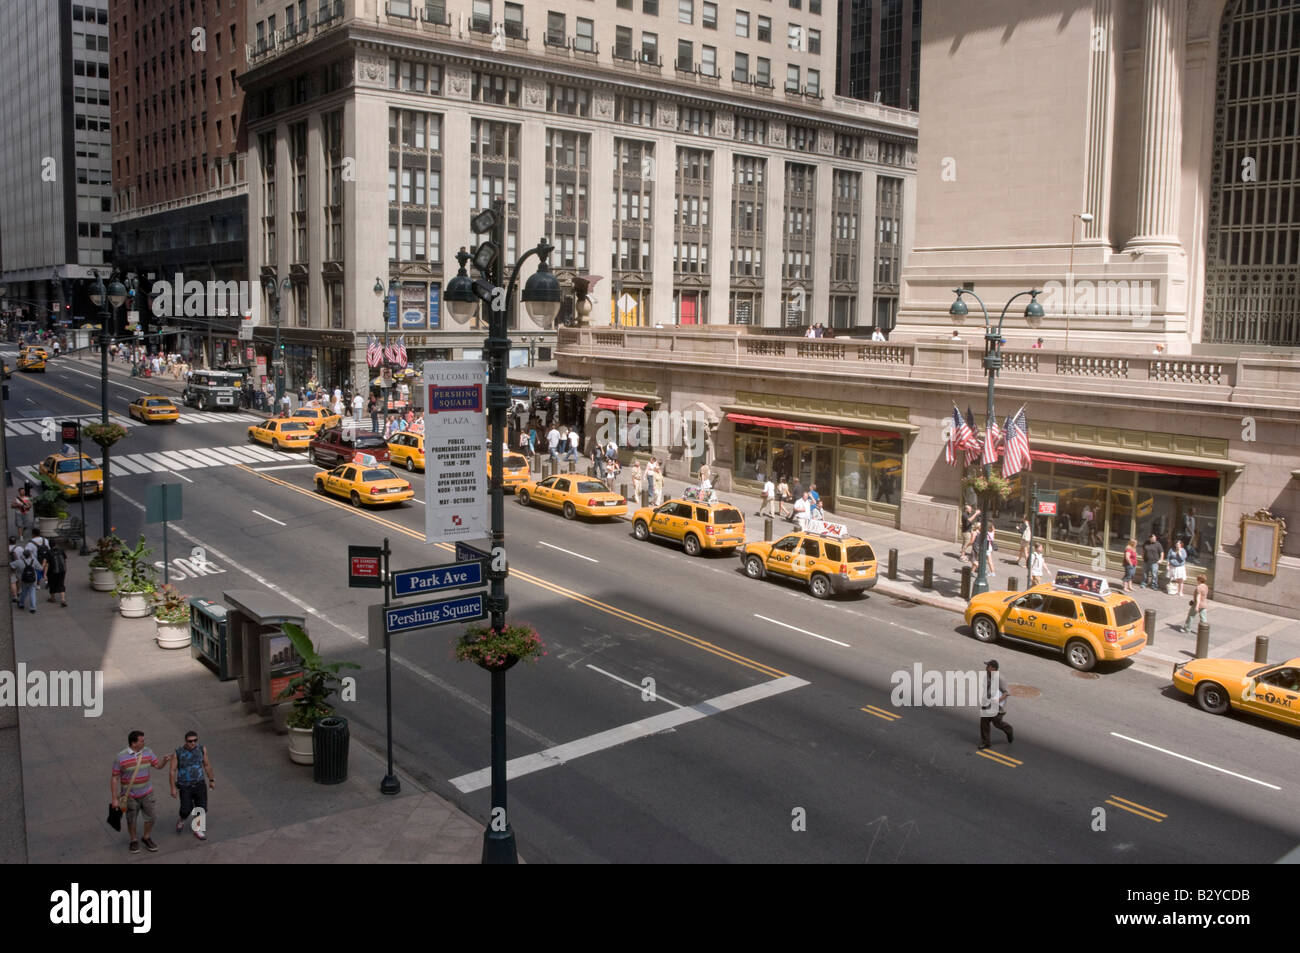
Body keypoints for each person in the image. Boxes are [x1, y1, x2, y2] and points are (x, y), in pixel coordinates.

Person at [111, 730, 173, 854]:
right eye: (142, 740)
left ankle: (146, 837)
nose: (144, 742)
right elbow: (115, 778)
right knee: (131, 819)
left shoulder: (148, 752)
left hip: (147, 793)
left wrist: (165, 761)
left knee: (152, 817)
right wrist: (114, 799)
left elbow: (157, 766)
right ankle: (133, 840)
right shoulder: (121, 757)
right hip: (130, 796)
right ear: (134, 743)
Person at [170, 730, 215, 841]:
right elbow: (172, 771)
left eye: (195, 740)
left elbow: (207, 765)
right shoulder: (178, 752)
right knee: (186, 809)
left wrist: (211, 779)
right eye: (190, 741)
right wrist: (173, 788)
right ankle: (182, 819)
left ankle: (197, 829)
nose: (193, 743)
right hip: (185, 786)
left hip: (199, 783)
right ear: (186, 741)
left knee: (201, 808)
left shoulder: (201, 749)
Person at [979, 660, 1013, 749]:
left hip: (997, 706)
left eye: (988, 666)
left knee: (997, 723)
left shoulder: (1000, 678)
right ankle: (986, 742)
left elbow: (1006, 692)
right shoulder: (987, 676)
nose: (986, 667)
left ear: (993, 668)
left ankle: (1009, 730)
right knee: (984, 722)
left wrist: (998, 701)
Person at [42, 540, 67, 607]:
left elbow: (46, 564)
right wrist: (64, 569)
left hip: (52, 572)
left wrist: (44, 574)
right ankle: (63, 599)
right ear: (55, 544)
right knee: (61, 584)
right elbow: (64, 560)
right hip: (62, 571)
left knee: (52, 584)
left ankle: (52, 598)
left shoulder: (48, 552)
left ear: (49, 545)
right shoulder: (61, 550)